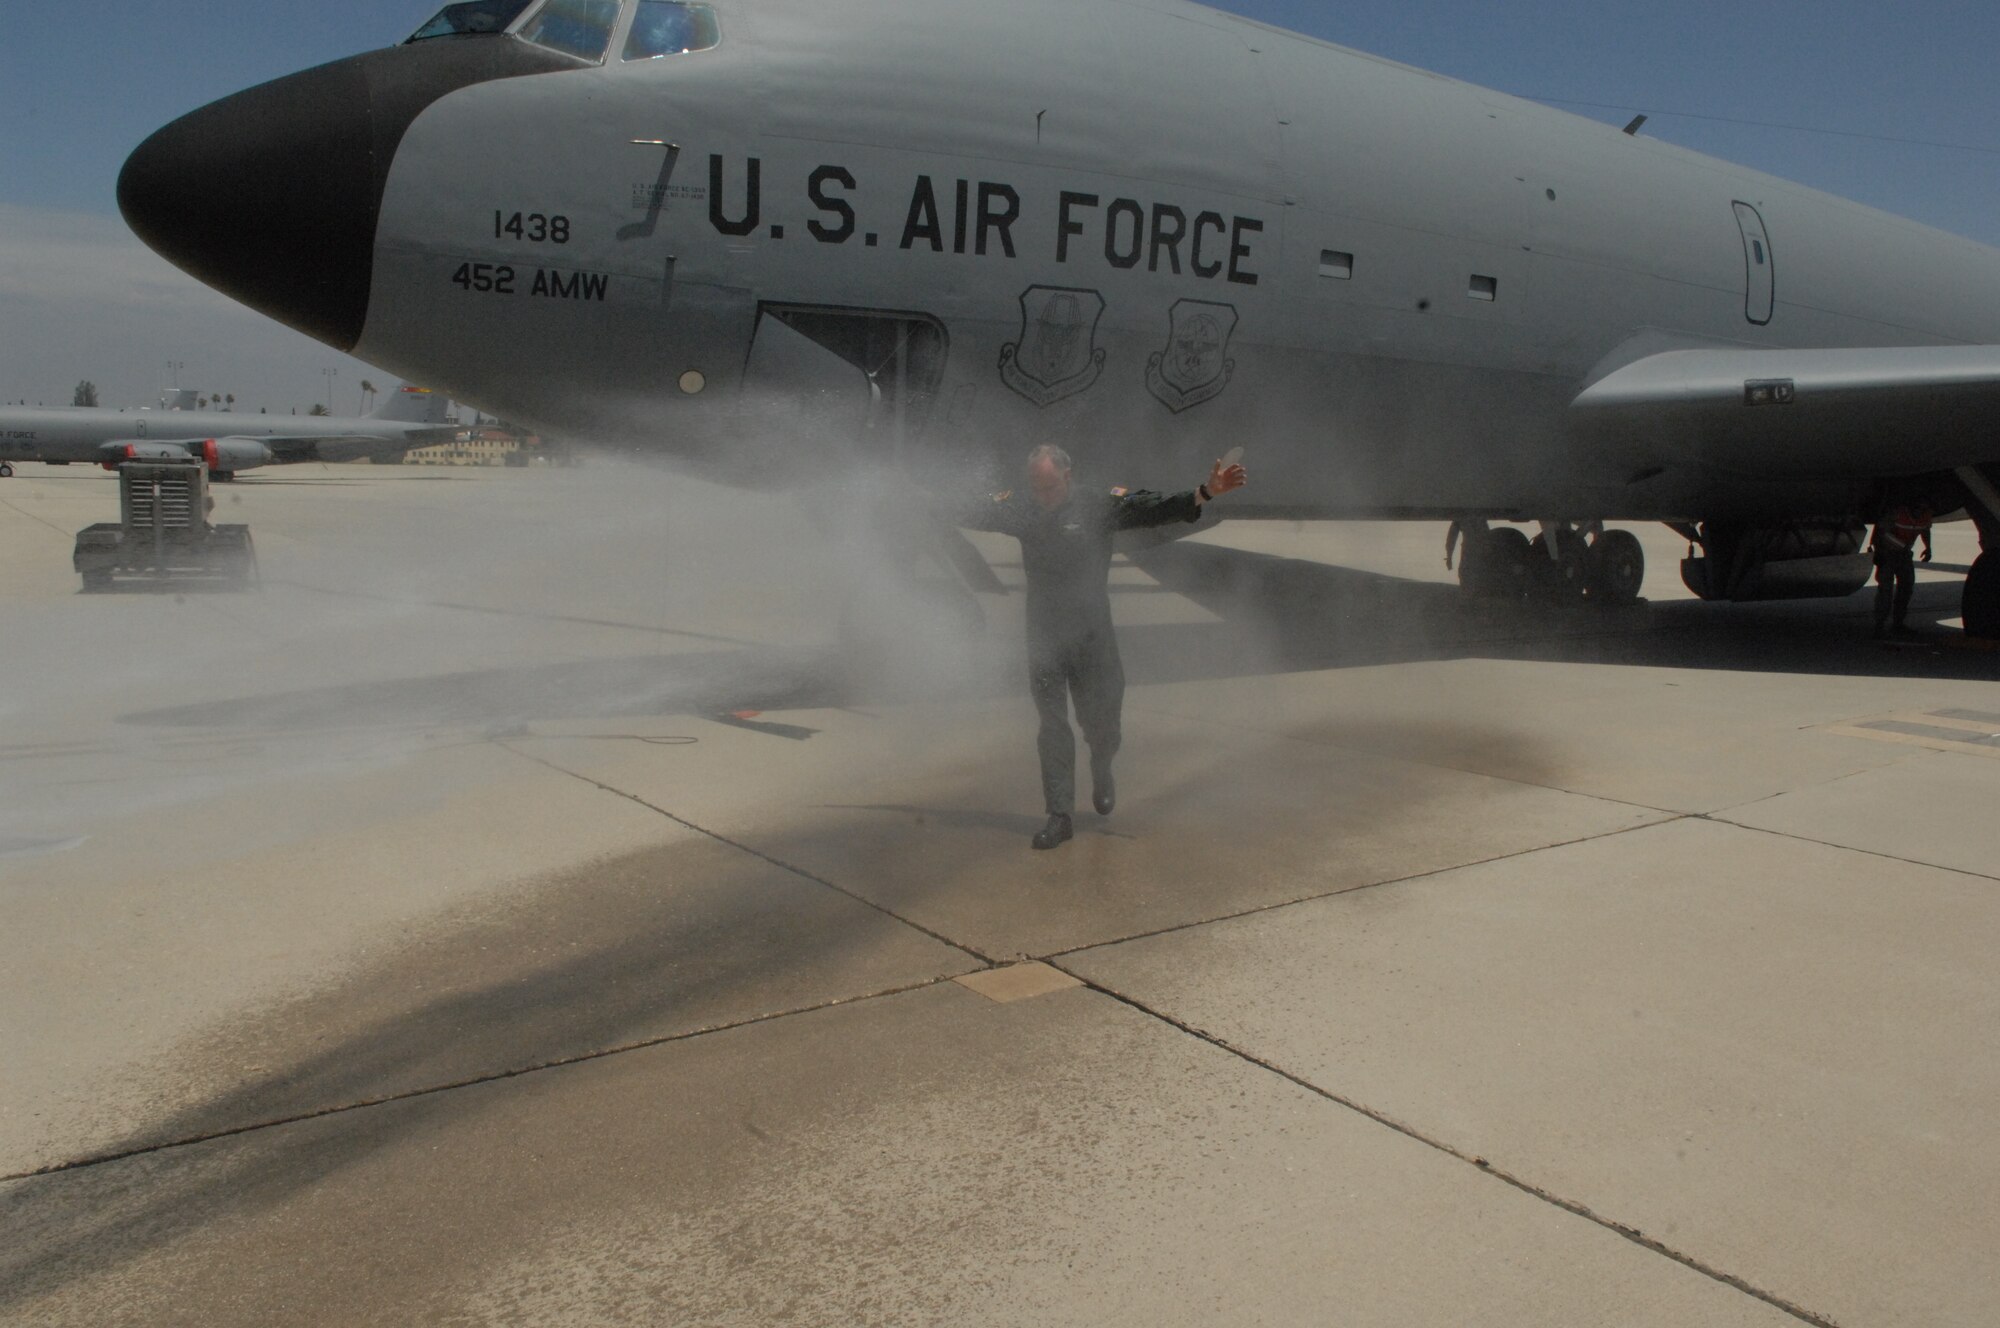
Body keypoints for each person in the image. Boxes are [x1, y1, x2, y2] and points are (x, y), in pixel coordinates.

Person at [961, 445, 1249, 849]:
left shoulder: (1098, 504)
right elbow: (974, 509)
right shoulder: (1021, 508)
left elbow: (1151, 507)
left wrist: (1204, 492)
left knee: (1104, 720)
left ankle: (1102, 760)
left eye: (1050, 487)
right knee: (1052, 724)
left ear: (1068, 476)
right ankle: (1059, 815)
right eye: (1037, 488)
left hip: (1091, 634)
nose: (1044, 496)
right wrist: (917, 500)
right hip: (1043, 634)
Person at [1871, 497, 1934, 639]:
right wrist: (1899, 546)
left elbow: (1925, 530)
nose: (1919, 511)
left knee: (1906, 588)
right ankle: (1879, 625)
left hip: (1904, 555)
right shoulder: (1896, 514)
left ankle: (1898, 624)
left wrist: (1928, 548)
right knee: (1885, 590)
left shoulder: (1925, 515)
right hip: (1887, 554)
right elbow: (1881, 534)